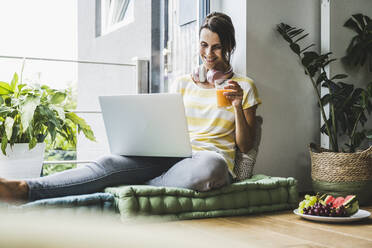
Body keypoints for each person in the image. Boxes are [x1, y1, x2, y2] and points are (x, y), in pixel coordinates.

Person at [0, 12, 261, 203]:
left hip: (208, 160)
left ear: (228, 47)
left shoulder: (244, 86)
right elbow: (167, 127)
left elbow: (246, 146)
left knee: (209, 169)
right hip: (173, 157)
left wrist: (237, 105)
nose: (208, 54)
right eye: (204, 45)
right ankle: (25, 188)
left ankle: (127, 185)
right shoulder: (183, 83)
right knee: (108, 162)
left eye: (216, 47)